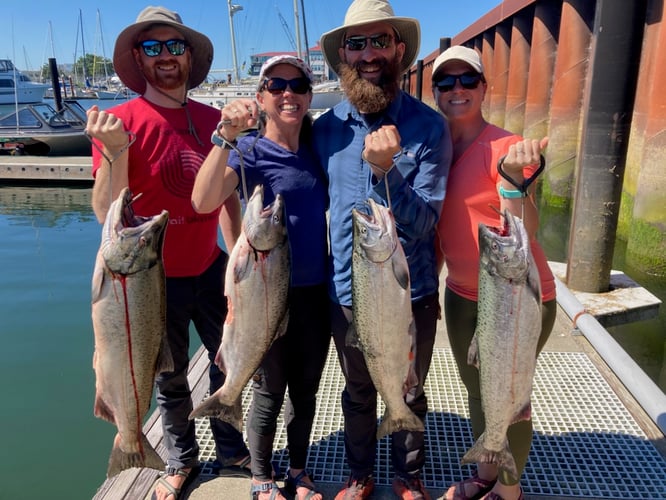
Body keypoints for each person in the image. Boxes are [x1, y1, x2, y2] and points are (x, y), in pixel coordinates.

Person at [85, 7, 251, 500]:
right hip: (149, 280)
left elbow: (225, 195)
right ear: (138, 57)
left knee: (230, 361)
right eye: (152, 48)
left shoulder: (210, 121)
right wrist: (115, 152)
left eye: (173, 46)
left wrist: (237, 250)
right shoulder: (121, 122)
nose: (164, 57)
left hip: (209, 266)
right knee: (170, 375)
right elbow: (103, 210)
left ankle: (234, 454)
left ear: (188, 55)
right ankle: (180, 461)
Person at [313, 1, 452, 498]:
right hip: (345, 291)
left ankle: (408, 473)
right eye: (357, 43)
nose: (368, 53)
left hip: (408, 291)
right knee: (356, 389)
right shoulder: (324, 129)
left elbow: (424, 223)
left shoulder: (430, 128)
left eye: (379, 41)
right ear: (343, 54)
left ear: (398, 49)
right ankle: (360, 472)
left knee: (409, 385)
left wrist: (385, 170)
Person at [191, 55, 330, 500]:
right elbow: (204, 200)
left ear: (309, 95)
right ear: (261, 96)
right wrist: (223, 137)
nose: (287, 92)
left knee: (306, 390)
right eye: (276, 85)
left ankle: (299, 469)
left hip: (315, 292)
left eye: (297, 84)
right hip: (266, 295)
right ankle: (260, 475)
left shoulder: (316, 147)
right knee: (269, 390)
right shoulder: (246, 151)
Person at [431, 46, 557, 500]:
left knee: (510, 398)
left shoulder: (506, 147)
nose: (457, 89)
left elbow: (529, 225)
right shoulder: (435, 146)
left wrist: (510, 179)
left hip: (517, 296)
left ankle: (509, 493)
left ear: (483, 88)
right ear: (436, 92)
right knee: (480, 392)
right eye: (446, 83)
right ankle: (487, 472)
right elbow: (441, 228)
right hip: (461, 293)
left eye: (468, 80)